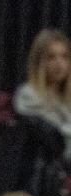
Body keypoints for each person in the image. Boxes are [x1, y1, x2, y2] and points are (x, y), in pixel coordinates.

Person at [14, 29, 71, 161]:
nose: (59, 63)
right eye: (51, 57)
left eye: (64, 57)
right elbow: (55, 138)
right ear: (39, 61)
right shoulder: (28, 95)